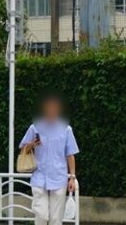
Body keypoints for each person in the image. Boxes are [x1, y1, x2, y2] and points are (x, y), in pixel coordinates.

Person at [18, 93, 79, 225]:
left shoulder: (66, 129)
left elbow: (70, 155)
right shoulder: (35, 128)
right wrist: (32, 144)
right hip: (39, 177)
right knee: (41, 215)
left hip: (59, 177)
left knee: (56, 219)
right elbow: (23, 150)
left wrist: (72, 177)